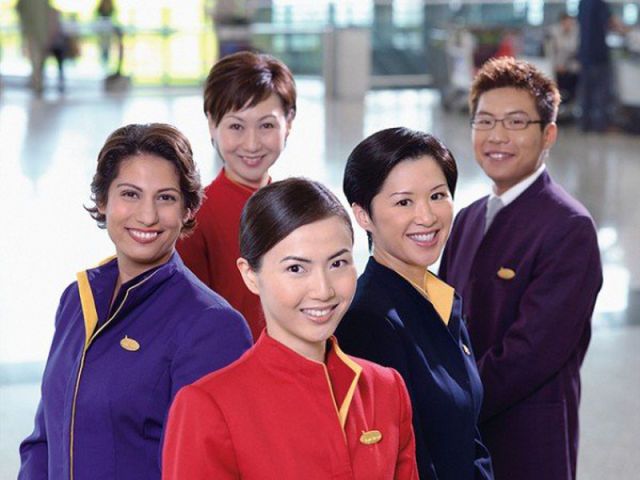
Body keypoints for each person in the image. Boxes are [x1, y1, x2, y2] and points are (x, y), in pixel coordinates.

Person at [18, 123, 252, 480]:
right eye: (130, 194)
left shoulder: (213, 326)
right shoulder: (76, 301)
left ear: (188, 209)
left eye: (166, 198)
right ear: (103, 200)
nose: (147, 216)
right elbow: (45, 440)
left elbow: (206, 469)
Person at [163, 178, 418, 479]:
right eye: (296, 268)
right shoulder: (207, 406)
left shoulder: (385, 389)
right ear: (250, 275)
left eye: (338, 264)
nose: (323, 290)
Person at [439, 57, 603, 480]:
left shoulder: (568, 227)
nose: (497, 136)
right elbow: (444, 318)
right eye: (485, 121)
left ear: (548, 134)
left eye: (515, 122)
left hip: (528, 438)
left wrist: (452, 400)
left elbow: (530, 352)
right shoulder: (468, 218)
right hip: (465, 435)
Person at [336, 127, 494, 480]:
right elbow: (395, 463)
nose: (427, 217)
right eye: (404, 202)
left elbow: (467, 435)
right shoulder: (367, 322)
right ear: (363, 215)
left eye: (437, 196)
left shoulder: (440, 298)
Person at [176, 51, 296, 341]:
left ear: (289, 123)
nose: (251, 144)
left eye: (266, 125)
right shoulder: (195, 217)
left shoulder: (297, 207)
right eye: (236, 126)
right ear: (212, 124)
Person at [577, 0, 626, 132]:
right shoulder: (600, 4)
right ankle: (600, 126)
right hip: (599, 55)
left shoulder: (582, 3)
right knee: (601, 93)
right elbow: (612, 23)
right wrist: (626, 31)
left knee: (586, 93)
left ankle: (585, 125)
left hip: (584, 54)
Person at [548, 13, 580, 108]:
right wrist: (557, 65)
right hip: (557, 67)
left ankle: (570, 106)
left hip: (572, 68)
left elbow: (575, 50)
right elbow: (550, 52)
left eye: (571, 22)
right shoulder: (553, 33)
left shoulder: (576, 33)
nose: (569, 24)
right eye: (566, 22)